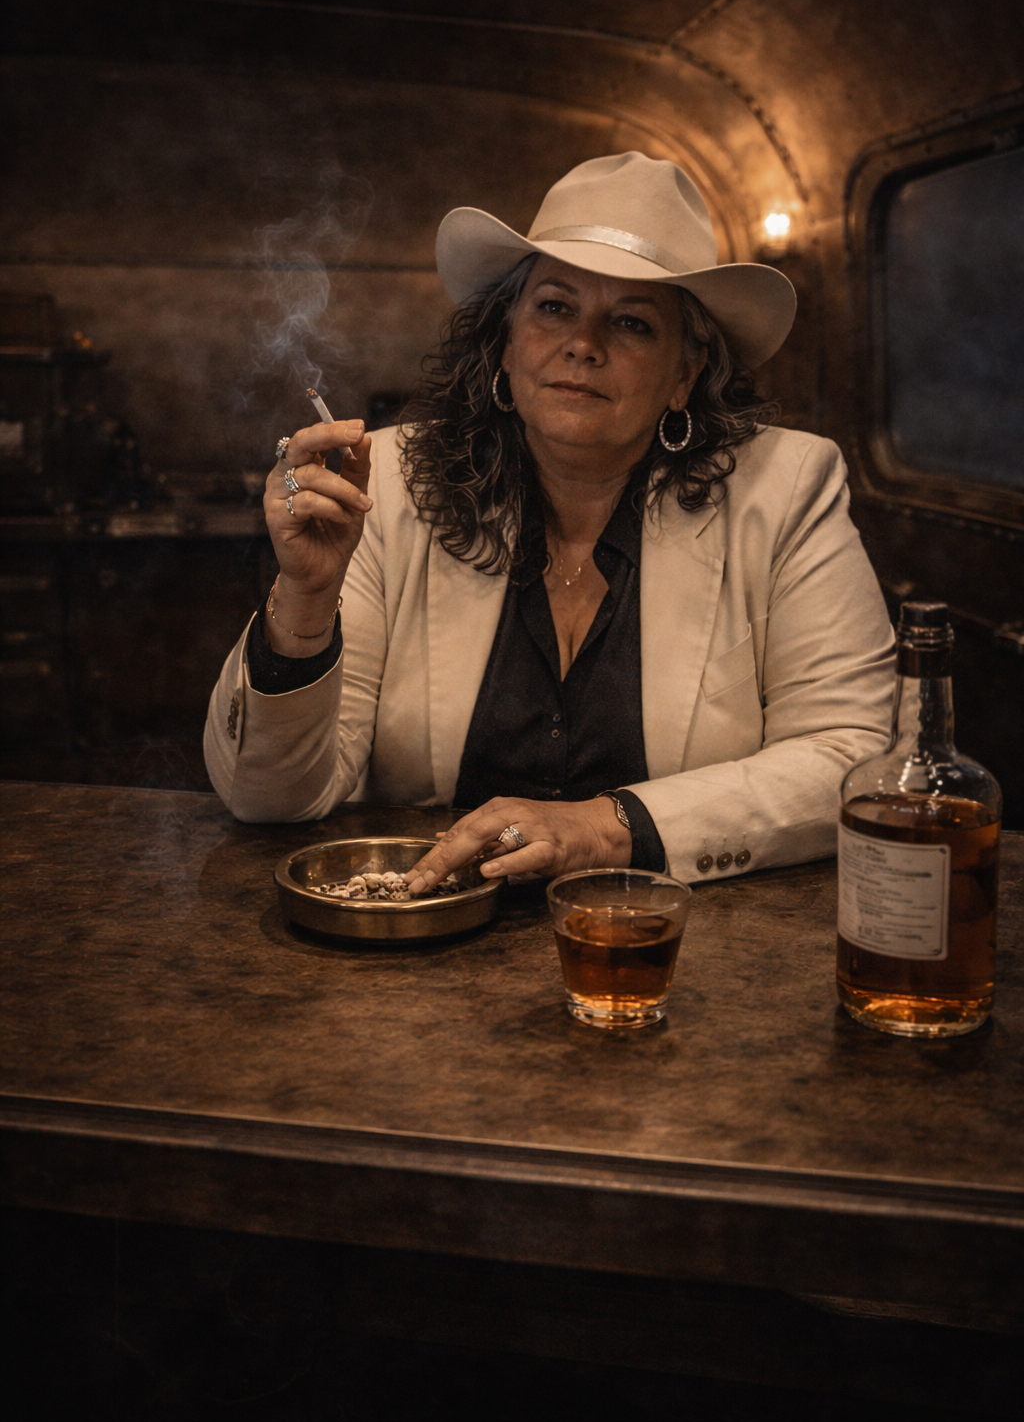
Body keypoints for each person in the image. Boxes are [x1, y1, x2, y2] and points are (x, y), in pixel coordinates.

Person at [204, 152, 894, 891]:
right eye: (555, 307)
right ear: (507, 342)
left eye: (631, 323)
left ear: (684, 376)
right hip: (421, 939)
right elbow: (270, 800)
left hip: (665, 947)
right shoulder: (387, 486)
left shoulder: (786, 488)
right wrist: (305, 602)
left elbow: (848, 756)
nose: (583, 343)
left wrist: (604, 828)